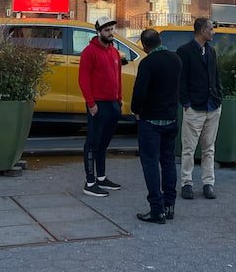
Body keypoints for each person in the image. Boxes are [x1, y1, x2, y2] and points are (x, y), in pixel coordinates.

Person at [130, 28, 182, 224]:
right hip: (170, 118)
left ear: (145, 46)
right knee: (168, 162)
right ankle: (169, 205)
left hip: (151, 120)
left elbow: (139, 91)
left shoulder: (148, 63)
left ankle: (156, 209)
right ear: (160, 40)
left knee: (150, 163)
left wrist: (135, 110)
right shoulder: (176, 59)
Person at [78, 15, 124, 197]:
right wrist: (91, 103)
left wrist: (119, 100)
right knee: (92, 143)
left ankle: (102, 177)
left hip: (113, 104)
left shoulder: (114, 52)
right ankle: (90, 182)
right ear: (99, 32)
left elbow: (118, 78)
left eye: (112, 29)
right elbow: (83, 80)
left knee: (104, 143)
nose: (111, 33)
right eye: (107, 30)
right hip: (98, 104)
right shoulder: (89, 52)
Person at [177, 16, 222, 200]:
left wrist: (219, 96)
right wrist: (186, 103)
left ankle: (208, 183)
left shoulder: (211, 51)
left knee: (209, 148)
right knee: (188, 148)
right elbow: (181, 80)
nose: (213, 32)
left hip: (213, 105)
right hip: (194, 107)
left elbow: (216, 75)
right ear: (203, 31)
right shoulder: (184, 51)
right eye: (211, 29)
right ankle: (186, 183)